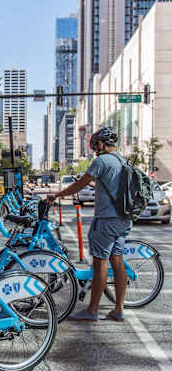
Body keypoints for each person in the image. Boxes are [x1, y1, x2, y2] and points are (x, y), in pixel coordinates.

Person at [48, 127, 130, 322]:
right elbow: (109, 186)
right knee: (117, 261)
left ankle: (92, 310)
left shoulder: (101, 161)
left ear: (102, 144)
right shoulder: (123, 160)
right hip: (123, 219)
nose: (95, 149)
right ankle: (119, 309)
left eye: (96, 145)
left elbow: (79, 185)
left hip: (106, 221)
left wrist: (57, 195)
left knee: (100, 262)